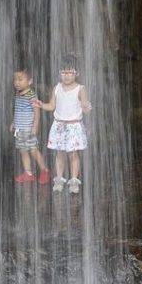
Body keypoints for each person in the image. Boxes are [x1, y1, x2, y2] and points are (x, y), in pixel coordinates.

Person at [39, 57, 90, 194]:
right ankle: (59, 179)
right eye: (63, 72)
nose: (66, 75)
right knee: (59, 153)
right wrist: (41, 104)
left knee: (73, 154)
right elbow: (52, 106)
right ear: (60, 73)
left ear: (77, 73)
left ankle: (73, 180)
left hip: (74, 126)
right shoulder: (57, 88)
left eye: (70, 72)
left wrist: (86, 107)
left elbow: (85, 107)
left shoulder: (80, 89)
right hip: (59, 126)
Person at [10, 67, 50, 184]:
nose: (17, 82)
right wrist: (14, 122)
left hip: (28, 129)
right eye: (15, 80)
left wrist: (35, 126)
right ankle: (28, 173)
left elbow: (37, 111)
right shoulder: (18, 94)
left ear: (30, 81)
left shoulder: (31, 95)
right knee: (23, 150)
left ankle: (44, 170)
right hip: (19, 129)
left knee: (33, 150)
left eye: (20, 79)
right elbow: (18, 110)